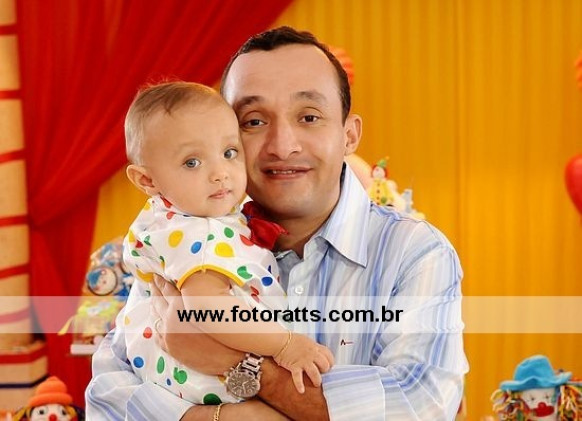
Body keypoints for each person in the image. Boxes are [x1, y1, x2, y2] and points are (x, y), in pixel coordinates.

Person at [86, 26, 469, 420]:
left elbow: (418, 405)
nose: (283, 146)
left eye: (309, 117)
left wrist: (240, 366)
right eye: (253, 122)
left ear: (349, 135)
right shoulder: (194, 233)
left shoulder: (413, 252)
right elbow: (106, 399)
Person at [119, 81, 334, 404]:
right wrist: (285, 345)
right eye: (192, 162)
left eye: (229, 153)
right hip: (203, 379)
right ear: (147, 180)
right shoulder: (198, 233)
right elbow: (208, 308)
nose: (220, 172)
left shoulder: (175, 216)